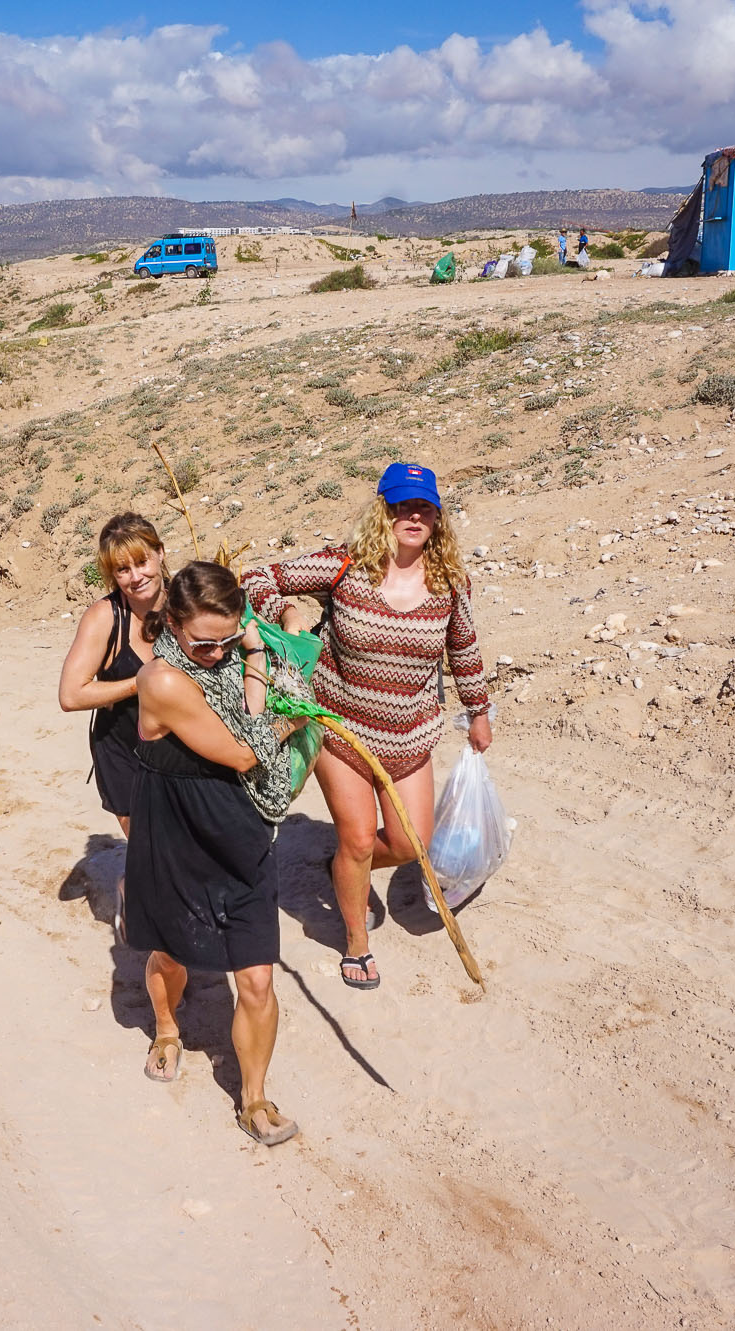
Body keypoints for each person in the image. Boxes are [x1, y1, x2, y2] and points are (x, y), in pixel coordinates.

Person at [240, 463, 492, 991]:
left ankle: (345, 869)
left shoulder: (451, 582)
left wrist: (479, 713)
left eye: (424, 507)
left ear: (437, 516)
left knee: (408, 845)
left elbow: (464, 650)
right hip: (342, 728)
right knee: (357, 839)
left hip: (411, 735)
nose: (413, 515)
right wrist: (285, 614)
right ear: (384, 510)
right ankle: (357, 940)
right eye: (402, 505)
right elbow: (258, 578)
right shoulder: (345, 566)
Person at [127, 562, 303, 1147]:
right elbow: (247, 752)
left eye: (226, 637)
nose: (215, 652)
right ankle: (169, 1030)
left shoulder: (227, 655)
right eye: (203, 641)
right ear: (172, 624)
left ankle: (253, 1096)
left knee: (256, 977)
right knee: (173, 954)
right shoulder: (163, 681)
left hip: (239, 828)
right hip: (177, 833)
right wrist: (291, 718)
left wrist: (249, 653)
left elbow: (249, 714)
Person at [56, 513, 167, 839]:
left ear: (160, 552)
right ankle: (127, 887)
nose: (136, 576)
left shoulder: (188, 602)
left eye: (142, 562)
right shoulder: (104, 617)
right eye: (123, 569)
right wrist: (141, 682)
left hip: (185, 748)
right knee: (150, 853)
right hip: (124, 752)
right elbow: (71, 695)